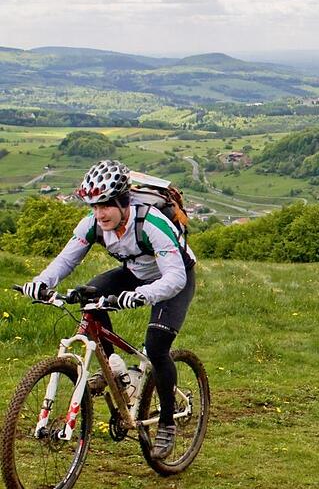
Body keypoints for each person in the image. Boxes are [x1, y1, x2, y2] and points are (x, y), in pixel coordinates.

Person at [18, 160, 196, 460]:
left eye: (105, 206)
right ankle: (116, 369)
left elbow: (175, 277)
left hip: (175, 278)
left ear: (123, 202)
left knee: (156, 346)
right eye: (93, 206)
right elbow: (65, 260)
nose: (98, 213)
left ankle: (166, 424)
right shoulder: (93, 223)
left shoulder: (151, 223)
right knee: (91, 295)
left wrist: (139, 295)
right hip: (137, 273)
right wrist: (40, 283)